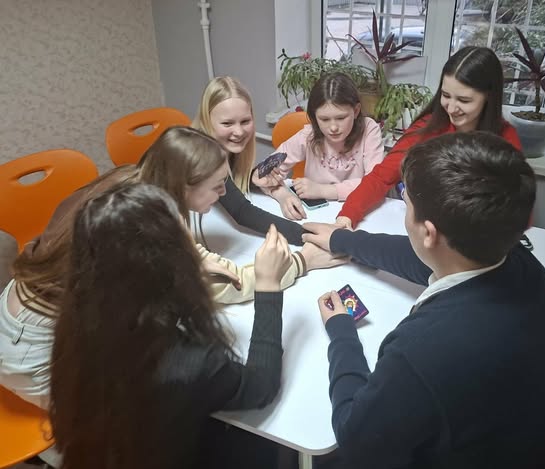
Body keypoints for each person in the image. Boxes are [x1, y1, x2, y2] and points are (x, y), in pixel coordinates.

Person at [0, 126, 344, 412]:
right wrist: (302, 261)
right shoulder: (150, 239)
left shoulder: (134, 187)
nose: (224, 193)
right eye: (218, 186)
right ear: (183, 185)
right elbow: (233, 289)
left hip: (20, 306)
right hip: (30, 355)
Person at [304, 132, 545, 468]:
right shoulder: (521, 264)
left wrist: (341, 332)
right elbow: (421, 258)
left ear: (429, 232)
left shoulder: (419, 352)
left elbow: (355, 440)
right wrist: (345, 240)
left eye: (406, 203)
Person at [49, 183, 292, 469]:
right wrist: (268, 285)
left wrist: (182, 279)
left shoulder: (79, 319)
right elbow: (260, 387)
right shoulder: (189, 361)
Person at [337, 46, 522, 229]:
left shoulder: (506, 138)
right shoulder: (428, 128)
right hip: (426, 230)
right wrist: (348, 214)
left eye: (464, 100)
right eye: (446, 95)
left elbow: (518, 204)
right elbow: (381, 177)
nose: (451, 108)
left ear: (488, 96)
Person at [252, 72, 384, 221]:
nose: (333, 128)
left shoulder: (369, 130)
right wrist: (283, 196)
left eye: (341, 118)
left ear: (356, 111)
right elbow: (263, 174)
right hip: (315, 215)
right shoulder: (308, 135)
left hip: (359, 213)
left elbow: (376, 183)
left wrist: (323, 190)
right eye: (324, 119)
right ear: (314, 116)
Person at [194, 76, 307, 244]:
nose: (239, 132)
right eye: (227, 123)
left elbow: (230, 182)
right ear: (207, 121)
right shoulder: (203, 154)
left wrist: (256, 180)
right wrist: (308, 235)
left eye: (245, 121)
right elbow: (242, 212)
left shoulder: (225, 147)